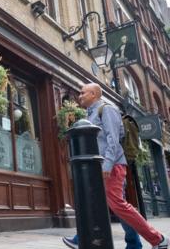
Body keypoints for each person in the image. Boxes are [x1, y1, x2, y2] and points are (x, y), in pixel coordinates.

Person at [62, 83, 167, 249]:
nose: (79, 95)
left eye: (83, 93)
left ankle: (158, 238)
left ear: (94, 94)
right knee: (105, 203)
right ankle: (86, 238)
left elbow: (113, 139)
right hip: (100, 166)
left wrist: (107, 165)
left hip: (111, 166)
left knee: (117, 204)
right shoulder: (90, 114)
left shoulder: (107, 109)